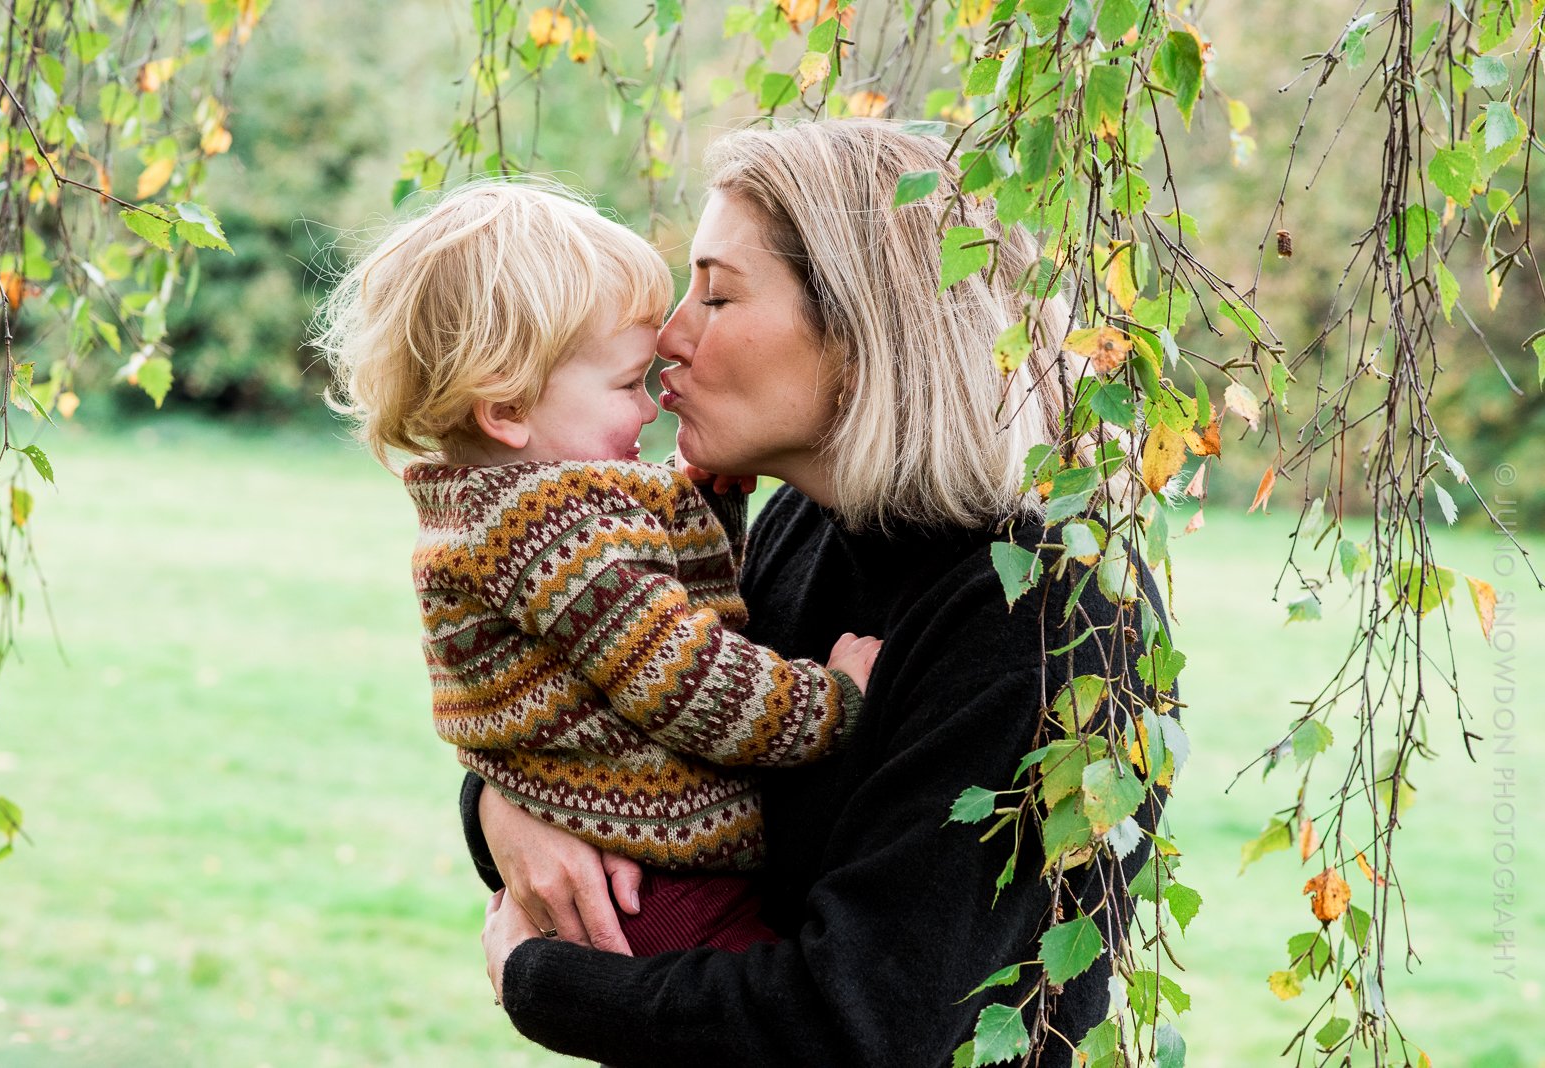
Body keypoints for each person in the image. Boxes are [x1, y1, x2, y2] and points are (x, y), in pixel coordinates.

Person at [468, 119, 1171, 1067]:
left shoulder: (1052, 617)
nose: (669, 337)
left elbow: (858, 1028)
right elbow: (631, 727)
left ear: (865, 328)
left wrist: (543, 982)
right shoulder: (808, 522)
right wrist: (497, 807)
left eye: (716, 294)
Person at [314, 180, 884, 957]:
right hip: (658, 881)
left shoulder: (507, 515)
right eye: (627, 385)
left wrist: (711, 510)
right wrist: (836, 700)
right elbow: (690, 679)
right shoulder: (546, 534)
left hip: (642, 857)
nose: (652, 408)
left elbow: (669, 604)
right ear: (507, 410)